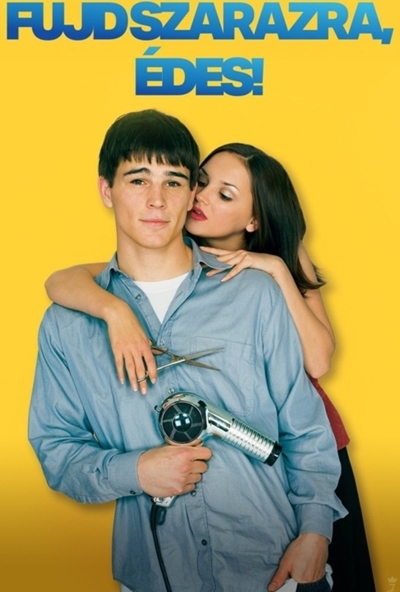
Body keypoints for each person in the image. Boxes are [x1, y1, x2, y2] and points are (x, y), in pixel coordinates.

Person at [29, 109, 346, 592]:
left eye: (174, 182)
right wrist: (136, 471)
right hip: (154, 576)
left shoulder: (257, 291)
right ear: (106, 190)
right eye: (138, 180)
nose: (156, 200)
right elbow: (56, 448)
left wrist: (316, 532)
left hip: (275, 567)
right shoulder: (68, 323)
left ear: (188, 193)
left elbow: (305, 428)